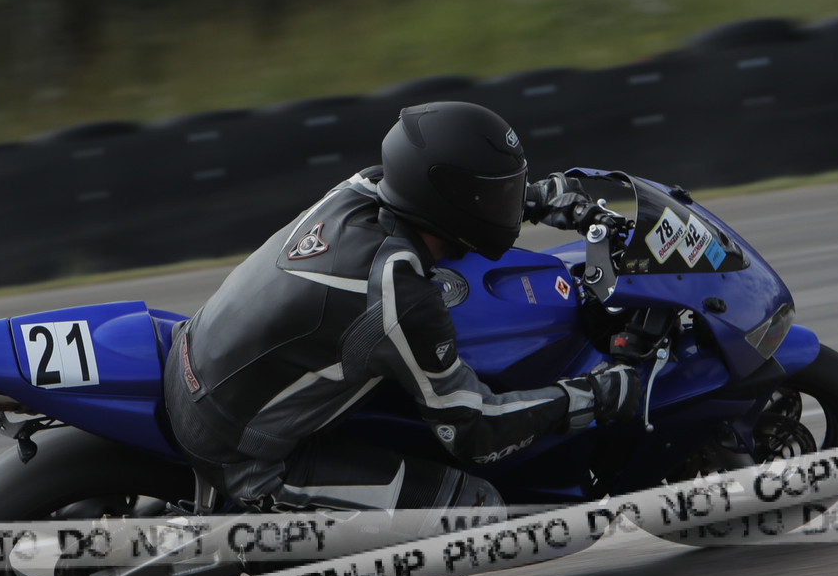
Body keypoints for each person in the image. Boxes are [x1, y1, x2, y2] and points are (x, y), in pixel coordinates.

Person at [164, 101, 641, 518]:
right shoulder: (399, 294)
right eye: (500, 195)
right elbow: (475, 433)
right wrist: (590, 396)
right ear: (451, 201)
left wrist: (541, 200)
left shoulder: (365, 187)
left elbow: (451, 205)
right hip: (243, 455)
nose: (509, 204)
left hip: (195, 356)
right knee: (480, 509)